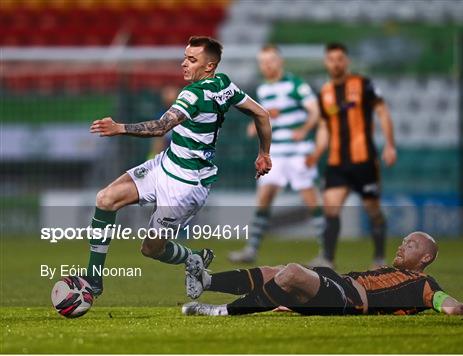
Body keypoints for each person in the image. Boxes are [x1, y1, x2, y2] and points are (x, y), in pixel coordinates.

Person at [86, 36, 272, 296]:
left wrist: (119, 128)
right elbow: (261, 113)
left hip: (185, 186)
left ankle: (193, 257)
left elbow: (162, 127)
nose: (184, 64)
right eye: (185, 57)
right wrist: (264, 153)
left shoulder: (193, 95)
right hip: (165, 164)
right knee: (105, 199)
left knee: (151, 249)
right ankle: (93, 280)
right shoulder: (224, 84)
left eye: (192, 60)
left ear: (209, 66)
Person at [182, 231, 463, 317]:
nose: (402, 245)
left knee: (293, 273)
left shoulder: (427, 286)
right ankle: (207, 281)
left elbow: (455, 308)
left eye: (409, 244)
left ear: (425, 257)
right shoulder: (387, 269)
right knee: (276, 270)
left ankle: (222, 311)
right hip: (338, 282)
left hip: (348, 299)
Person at [306, 42, 397, 269]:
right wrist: (317, 153)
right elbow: (325, 128)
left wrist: (390, 145)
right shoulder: (325, 93)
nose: (336, 63)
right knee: (330, 208)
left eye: (339, 59)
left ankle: (378, 259)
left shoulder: (363, 84)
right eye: (331, 59)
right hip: (337, 162)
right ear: (326, 63)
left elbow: (382, 111)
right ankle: (327, 259)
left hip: (364, 160)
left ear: (346, 61)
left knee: (373, 211)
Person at [228, 44, 323, 263]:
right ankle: (251, 250)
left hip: (298, 152)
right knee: (264, 199)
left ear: (280, 61)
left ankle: (325, 253)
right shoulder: (263, 89)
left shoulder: (295, 84)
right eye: (263, 62)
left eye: (270, 60)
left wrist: (305, 130)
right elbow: (266, 117)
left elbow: (315, 110)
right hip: (275, 152)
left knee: (311, 200)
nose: (266, 65)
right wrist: (255, 127)